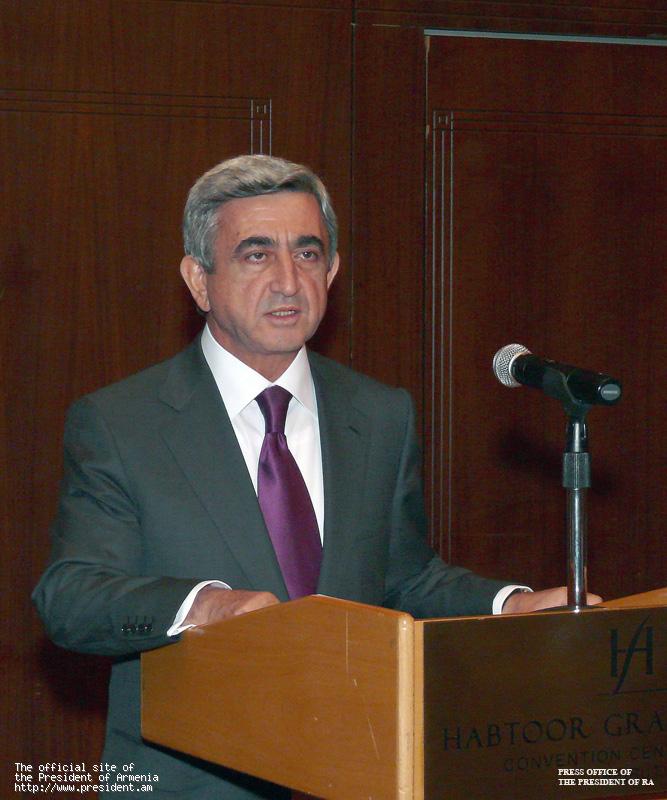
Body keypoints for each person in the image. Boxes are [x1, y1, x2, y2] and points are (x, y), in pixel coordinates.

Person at [33, 155, 598, 799]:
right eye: (255, 255)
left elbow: (402, 578)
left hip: (356, 773)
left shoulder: (380, 413)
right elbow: (70, 597)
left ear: (331, 272)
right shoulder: (121, 422)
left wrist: (509, 607)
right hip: (192, 781)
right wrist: (203, 606)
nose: (287, 281)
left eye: (307, 254)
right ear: (199, 280)